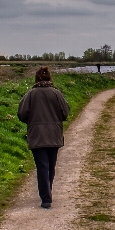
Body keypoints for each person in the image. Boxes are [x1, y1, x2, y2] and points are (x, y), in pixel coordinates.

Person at [17, 66, 70, 209]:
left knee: (42, 166)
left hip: (37, 135)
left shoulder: (30, 94)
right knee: (50, 167)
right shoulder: (57, 94)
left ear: (36, 78)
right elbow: (65, 113)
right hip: (54, 134)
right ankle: (48, 193)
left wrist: (32, 121)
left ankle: (46, 198)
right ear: (49, 78)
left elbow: (21, 114)